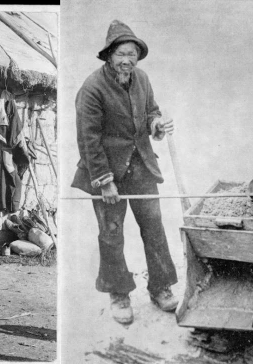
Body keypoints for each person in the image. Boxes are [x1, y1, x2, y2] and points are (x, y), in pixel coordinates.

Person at [71, 20, 178, 325]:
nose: (127, 60)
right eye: (121, 54)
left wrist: (156, 124)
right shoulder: (92, 88)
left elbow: (151, 112)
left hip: (142, 167)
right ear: (108, 56)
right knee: (112, 235)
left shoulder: (142, 79)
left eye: (132, 54)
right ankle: (119, 293)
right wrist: (104, 182)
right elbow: (88, 140)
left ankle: (161, 287)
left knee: (154, 229)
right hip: (107, 173)